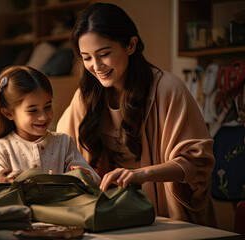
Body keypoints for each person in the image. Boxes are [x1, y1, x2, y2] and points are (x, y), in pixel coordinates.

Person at [57, 2, 216, 227]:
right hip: (112, 214)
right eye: (87, 57)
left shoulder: (168, 89)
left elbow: (196, 165)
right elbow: (59, 146)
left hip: (165, 218)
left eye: (104, 54)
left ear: (131, 45)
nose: (96, 66)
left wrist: (141, 174)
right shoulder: (87, 96)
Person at [0, 65, 100, 184]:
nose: (43, 117)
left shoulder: (64, 143)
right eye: (33, 110)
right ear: (8, 113)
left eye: (48, 107)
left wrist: (86, 176)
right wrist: (2, 181)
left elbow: (94, 180)